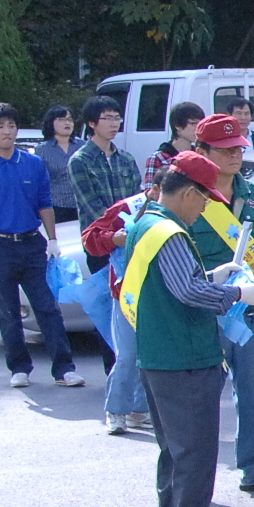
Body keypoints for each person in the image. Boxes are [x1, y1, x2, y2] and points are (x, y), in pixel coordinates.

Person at [121, 153, 254, 507]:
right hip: (185, 357)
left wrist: (215, 277)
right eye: (204, 200)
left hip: (159, 355)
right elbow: (187, 292)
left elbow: (175, 285)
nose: (205, 208)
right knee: (196, 457)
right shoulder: (171, 233)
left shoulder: (146, 223)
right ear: (188, 192)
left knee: (174, 453)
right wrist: (238, 294)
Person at [186, 113, 254, 495]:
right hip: (204, 306)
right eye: (225, 150)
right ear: (201, 151)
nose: (234, 156)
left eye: (239, 148)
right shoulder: (189, 194)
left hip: (249, 306)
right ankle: (194, 477)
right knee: (201, 398)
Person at [0, 101, 81, 388]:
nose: (7, 132)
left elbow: (45, 203)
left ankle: (64, 368)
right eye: (0, 127)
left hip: (31, 242)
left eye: (12, 125)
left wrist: (52, 239)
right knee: (7, 311)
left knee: (47, 307)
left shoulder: (33, 163)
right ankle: (19, 367)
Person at [84, 185, 151, 433]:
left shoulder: (183, 208)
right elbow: (90, 238)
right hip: (127, 294)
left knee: (151, 354)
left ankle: (139, 410)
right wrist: (113, 239)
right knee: (127, 355)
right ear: (154, 189)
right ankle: (116, 410)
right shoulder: (127, 208)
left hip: (159, 295)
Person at [71, 95, 142, 265]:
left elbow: (136, 199)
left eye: (117, 118)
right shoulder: (80, 161)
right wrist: (120, 230)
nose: (114, 124)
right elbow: (93, 206)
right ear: (92, 123)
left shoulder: (126, 158)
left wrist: (134, 228)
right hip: (99, 242)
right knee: (105, 291)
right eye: (107, 118)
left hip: (130, 238)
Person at [35, 106, 80, 223]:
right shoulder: (42, 150)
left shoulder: (83, 146)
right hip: (57, 207)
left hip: (82, 205)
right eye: (61, 119)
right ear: (51, 122)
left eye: (70, 119)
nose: (67, 123)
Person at [144, 102, 204, 187]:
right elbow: (151, 193)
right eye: (194, 124)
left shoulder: (200, 156)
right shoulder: (159, 158)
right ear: (177, 126)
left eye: (201, 124)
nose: (198, 128)